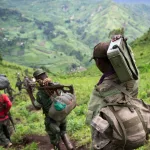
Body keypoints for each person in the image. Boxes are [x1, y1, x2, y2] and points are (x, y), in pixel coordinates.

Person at [86, 36, 139, 150]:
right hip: (130, 132)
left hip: (112, 141)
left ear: (98, 62)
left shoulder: (101, 91)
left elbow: (95, 121)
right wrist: (123, 47)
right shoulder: (132, 79)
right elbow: (131, 62)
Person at [31, 69, 74, 150]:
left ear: (37, 80)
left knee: (55, 141)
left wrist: (30, 93)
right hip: (62, 116)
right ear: (46, 75)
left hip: (51, 120)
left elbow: (37, 106)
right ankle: (70, 147)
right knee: (63, 133)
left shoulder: (40, 93)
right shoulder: (56, 86)